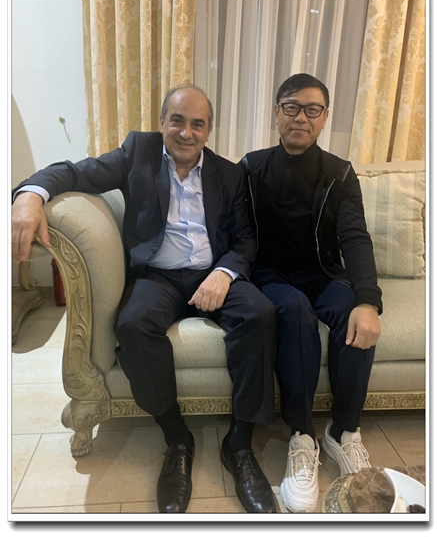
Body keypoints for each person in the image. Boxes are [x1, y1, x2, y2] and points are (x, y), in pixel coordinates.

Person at [12, 84, 278, 514]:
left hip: (213, 273)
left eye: (197, 124)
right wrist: (30, 194)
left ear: (209, 130)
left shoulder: (229, 174)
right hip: (158, 275)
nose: (186, 132)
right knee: (133, 325)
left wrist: (223, 273)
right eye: (177, 120)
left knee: (261, 315)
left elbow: (246, 239)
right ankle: (177, 438)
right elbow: (73, 173)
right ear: (161, 122)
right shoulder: (137, 153)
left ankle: (240, 444)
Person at [240, 73, 382, 514]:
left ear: (324, 118)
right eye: (291, 107)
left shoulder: (340, 173)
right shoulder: (251, 168)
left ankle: (343, 432)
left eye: (312, 109)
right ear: (276, 113)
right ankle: (302, 436)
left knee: (353, 312)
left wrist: (368, 299)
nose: (300, 117)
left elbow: (355, 237)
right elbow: (237, 232)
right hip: (270, 276)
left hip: (322, 274)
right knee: (295, 312)